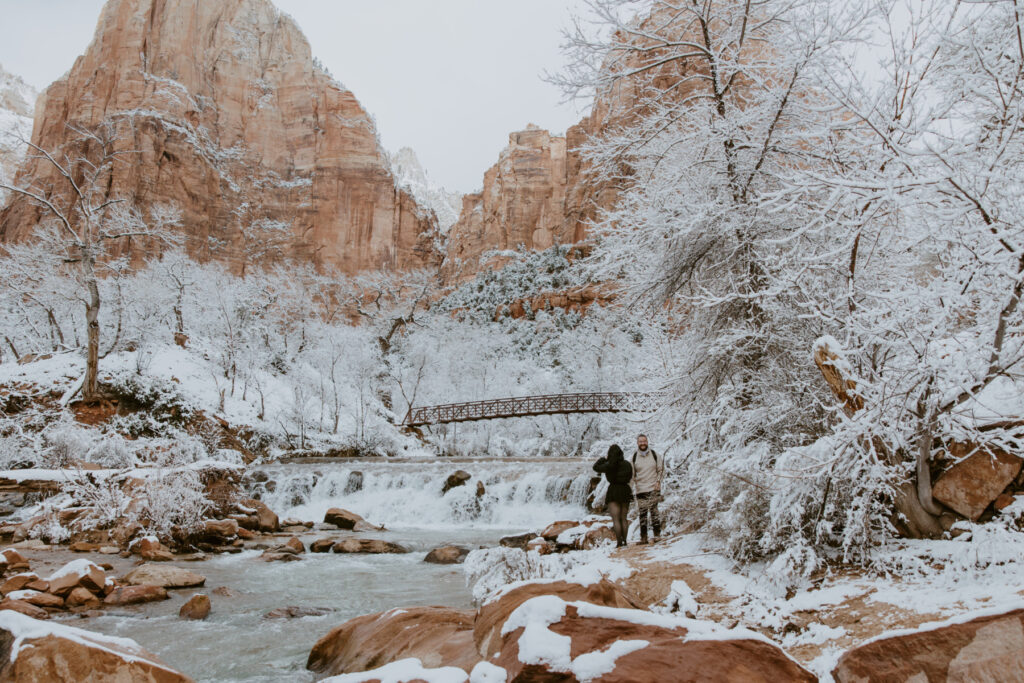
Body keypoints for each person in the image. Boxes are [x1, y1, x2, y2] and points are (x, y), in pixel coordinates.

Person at [593, 444, 633, 548]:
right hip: (625, 490)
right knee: (624, 518)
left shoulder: (609, 465)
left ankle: (619, 542)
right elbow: (630, 476)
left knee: (616, 519)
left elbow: (595, 467)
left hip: (614, 490)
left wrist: (602, 459)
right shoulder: (627, 464)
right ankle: (625, 541)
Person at [630, 434, 664, 544]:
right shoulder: (634, 457)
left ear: (647, 442)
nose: (643, 443)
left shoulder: (655, 455)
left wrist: (658, 481)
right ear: (637, 443)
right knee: (642, 515)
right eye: (640, 441)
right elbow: (632, 475)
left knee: (654, 512)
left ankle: (657, 535)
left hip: (653, 488)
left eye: (644, 441)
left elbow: (661, 470)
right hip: (640, 490)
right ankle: (643, 538)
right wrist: (632, 488)